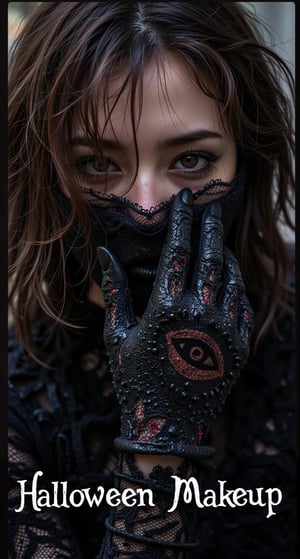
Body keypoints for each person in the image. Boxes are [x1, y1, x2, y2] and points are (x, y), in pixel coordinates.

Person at [8, 2, 296, 558]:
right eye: (96, 164)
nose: (147, 208)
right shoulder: (20, 408)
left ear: (245, 160)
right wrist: (157, 440)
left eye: (190, 158)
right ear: (44, 171)